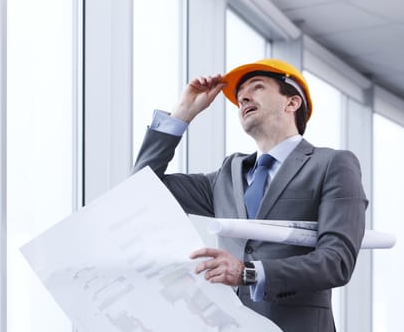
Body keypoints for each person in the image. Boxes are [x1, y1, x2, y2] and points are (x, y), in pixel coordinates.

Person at [133, 58, 367, 332]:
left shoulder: (332, 164)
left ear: (292, 103)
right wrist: (181, 114)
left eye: (257, 87)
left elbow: (337, 262)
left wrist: (249, 272)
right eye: (240, 95)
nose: (243, 97)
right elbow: (142, 188)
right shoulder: (226, 177)